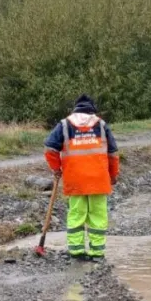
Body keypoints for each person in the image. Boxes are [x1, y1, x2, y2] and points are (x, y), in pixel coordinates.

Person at [44, 95, 120, 260]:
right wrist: (113, 175)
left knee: (76, 215)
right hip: (98, 180)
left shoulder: (65, 124)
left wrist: (56, 169)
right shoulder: (101, 124)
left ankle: (76, 251)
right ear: (92, 109)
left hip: (75, 180)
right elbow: (113, 153)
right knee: (98, 216)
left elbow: (50, 149)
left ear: (76, 108)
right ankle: (97, 252)